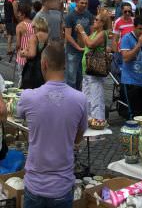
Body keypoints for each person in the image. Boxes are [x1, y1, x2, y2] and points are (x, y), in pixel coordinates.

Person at [18, 44, 87, 208]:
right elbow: (77, 138)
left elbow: (19, 115)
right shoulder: (80, 99)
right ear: (65, 65)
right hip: (62, 186)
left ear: (44, 64)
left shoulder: (28, 97)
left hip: (35, 184)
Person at [76, 14, 110, 128]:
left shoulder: (102, 34)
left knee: (96, 97)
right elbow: (84, 44)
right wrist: (80, 33)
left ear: (102, 23)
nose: (94, 21)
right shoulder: (94, 33)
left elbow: (90, 44)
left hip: (95, 71)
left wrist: (82, 31)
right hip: (87, 70)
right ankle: (89, 120)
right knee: (86, 97)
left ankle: (98, 122)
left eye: (96, 20)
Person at [20, 15, 48, 90]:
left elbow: (32, 54)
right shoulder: (48, 36)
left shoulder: (34, 37)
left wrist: (23, 53)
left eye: (34, 27)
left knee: (30, 91)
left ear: (37, 26)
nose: (33, 29)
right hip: (46, 66)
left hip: (33, 69)